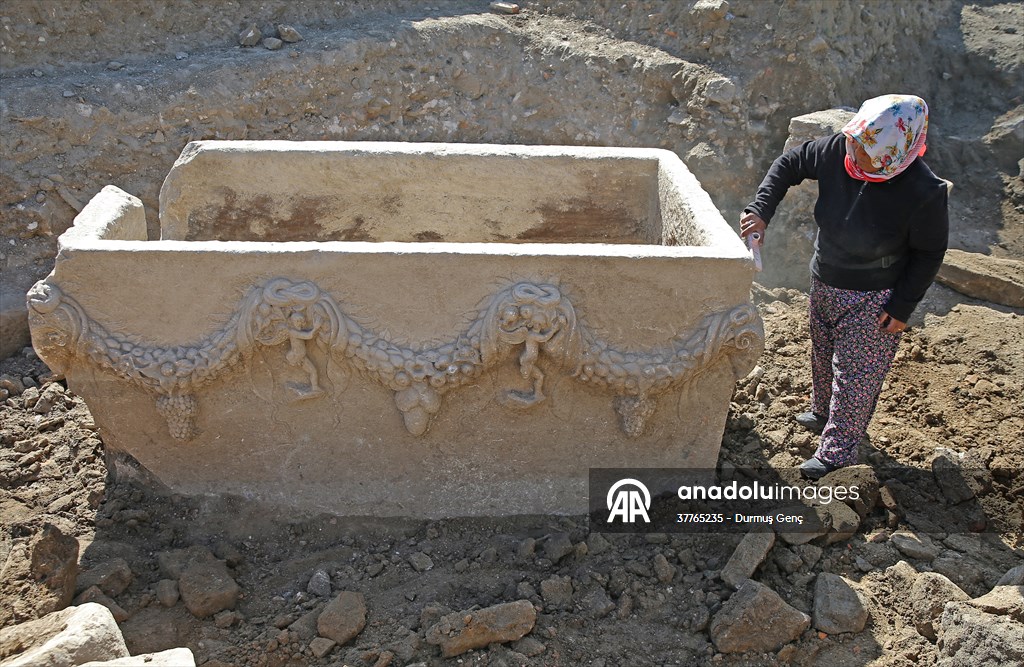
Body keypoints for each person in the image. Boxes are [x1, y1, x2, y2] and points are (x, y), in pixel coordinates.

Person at [739, 94, 949, 479]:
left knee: (857, 375)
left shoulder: (923, 191)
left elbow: (929, 253)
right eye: (855, 142)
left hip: (875, 296)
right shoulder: (843, 148)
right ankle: (822, 413)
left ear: (895, 153)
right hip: (825, 277)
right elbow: (789, 163)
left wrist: (902, 306)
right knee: (823, 353)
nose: (856, 154)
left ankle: (836, 453)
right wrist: (760, 210)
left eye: (868, 151)